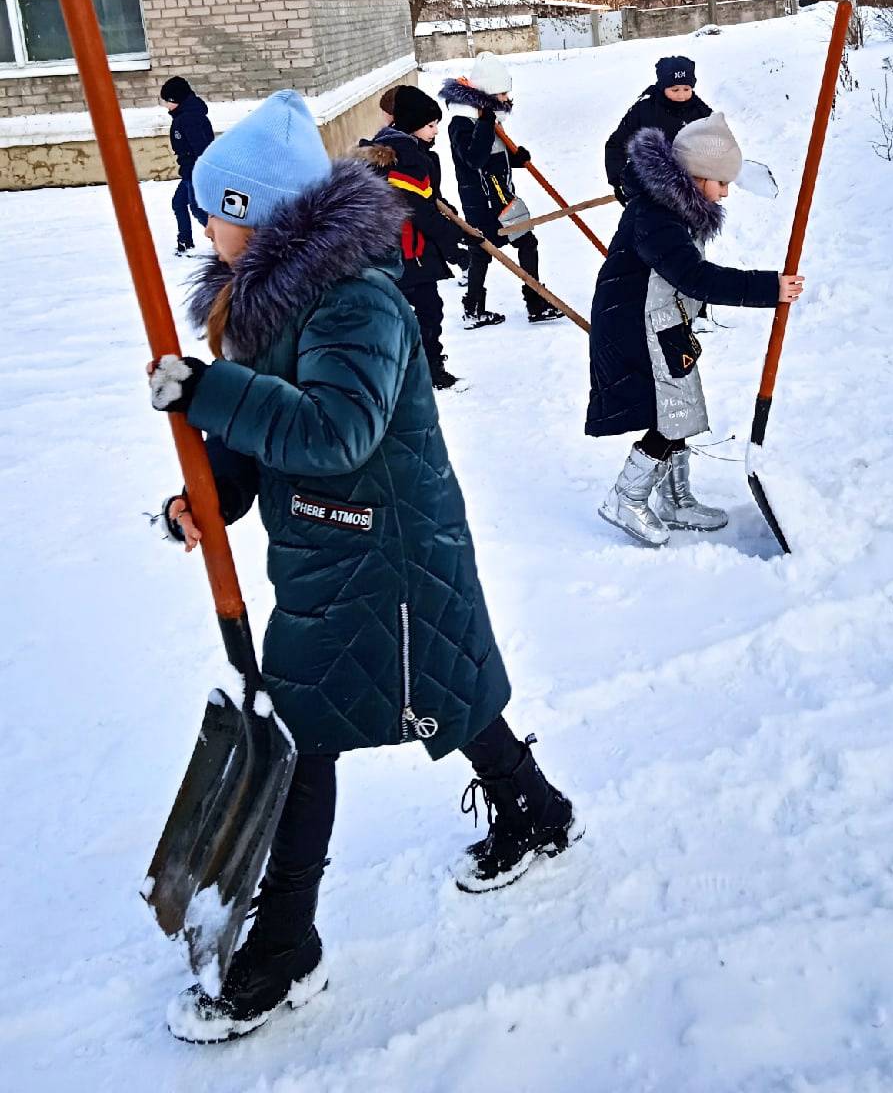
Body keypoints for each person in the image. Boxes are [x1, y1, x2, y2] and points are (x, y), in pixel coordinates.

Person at [146, 91, 580, 1044]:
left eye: (214, 207)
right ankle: (537, 810)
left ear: (257, 214)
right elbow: (266, 433)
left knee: (309, 728)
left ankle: (285, 946)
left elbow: (335, 429)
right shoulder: (268, 300)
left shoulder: (358, 298)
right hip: (334, 546)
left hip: (381, 546)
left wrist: (210, 391)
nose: (203, 223)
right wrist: (208, 497)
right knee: (443, 685)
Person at [586, 112, 803, 545]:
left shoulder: (672, 207)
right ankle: (625, 497)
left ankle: (675, 499)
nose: (726, 192)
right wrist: (768, 288)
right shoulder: (657, 216)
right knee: (673, 414)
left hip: (663, 322)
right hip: (636, 325)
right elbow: (695, 277)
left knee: (681, 408)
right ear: (697, 175)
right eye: (721, 182)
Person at [358, 83, 469, 390]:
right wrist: (454, 248)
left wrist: (455, 224)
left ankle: (413, 368)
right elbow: (421, 213)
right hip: (407, 253)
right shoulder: (406, 159)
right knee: (427, 311)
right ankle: (425, 369)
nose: (435, 131)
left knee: (411, 312)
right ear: (412, 125)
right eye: (431, 125)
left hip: (394, 254)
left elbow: (430, 200)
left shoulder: (401, 152)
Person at [441, 53, 565, 329]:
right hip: (483, 202)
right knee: (483, 251)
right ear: (486, 93)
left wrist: (515, 159)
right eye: (501, 92)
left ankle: (532, 302)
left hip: (501, 196)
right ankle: (479, 307)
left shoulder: (485, 118)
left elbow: (493, 156)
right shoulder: (462, 122)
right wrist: (486, 124)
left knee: (521, 243)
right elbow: (474, 159)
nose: (507, 97)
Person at [603, 55, 712, 204]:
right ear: (662, 87)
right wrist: (619, 182)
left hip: (692, 192)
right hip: (651, 192)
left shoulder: (700, 111)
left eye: (687, 89)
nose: (681, 95)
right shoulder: (644, 110)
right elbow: (616, 144)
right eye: (675, 90)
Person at [161, 75, 214, 255]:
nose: (166, 106)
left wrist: (201, 173)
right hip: (189, 172)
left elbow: (202, 148)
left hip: (196, 172)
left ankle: (225, 239)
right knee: (178, 203)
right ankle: (185, 241)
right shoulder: (183, 116)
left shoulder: (189, 118)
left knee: (199, 210)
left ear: (176, 100)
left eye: (167, 101)